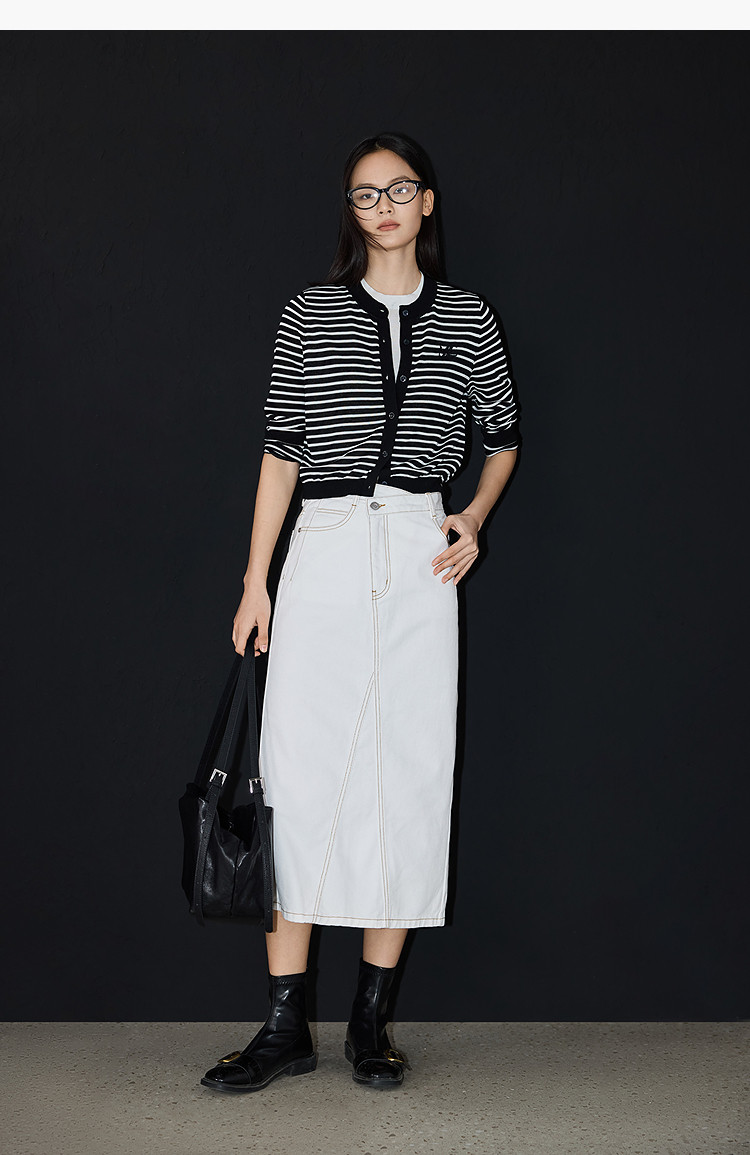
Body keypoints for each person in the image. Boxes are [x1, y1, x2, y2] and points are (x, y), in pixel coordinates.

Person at [200, 131, 520, 1094]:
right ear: (351, 210)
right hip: (327, 543)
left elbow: (503, 438)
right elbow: (280, 455)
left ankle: (371, 1022)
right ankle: (284, 1023)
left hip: (422, 548)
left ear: (428, 202)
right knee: (297, 778)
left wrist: (472, 516)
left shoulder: (469, 317)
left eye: (399, 188)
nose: (383, 206)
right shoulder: (309, 313)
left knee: (407, 775)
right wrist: (256, 581)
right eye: (365, 193)